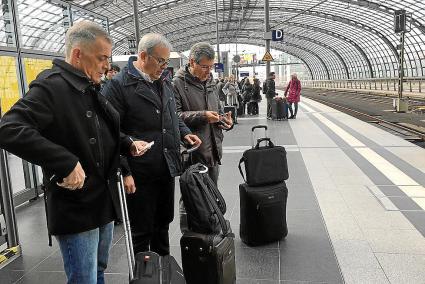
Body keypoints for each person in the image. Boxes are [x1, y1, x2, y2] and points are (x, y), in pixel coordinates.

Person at [0, 20, 146, 284]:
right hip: (77, 205)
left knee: (97, 270)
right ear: (78, 54)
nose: (107, 65)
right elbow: (9, 128)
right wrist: (64, 162)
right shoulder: (52, 86)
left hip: (101, 199)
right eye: (101, 58)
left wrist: (127, 145)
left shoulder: (89, 85)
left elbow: (102, 131)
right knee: (84, 278)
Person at [102, 33, 201, 256]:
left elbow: (171, 114)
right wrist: (124, 170)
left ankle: (162, 271)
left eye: (167, 62)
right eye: (161, 61)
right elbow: (109, 132)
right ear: (143, 56)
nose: (165, 67)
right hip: (140, 173)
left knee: (162, 224)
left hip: (165, 167)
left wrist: (184, 132)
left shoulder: (162, 81)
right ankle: (144, 276)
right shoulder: (117, 87)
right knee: (141, 230)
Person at [173, 42, 233, 185]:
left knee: (212, 196)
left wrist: (224, 121)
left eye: (211, 66)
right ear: (192, 62)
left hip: (213, 150)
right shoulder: (177, 84)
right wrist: (203, 116)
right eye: (205, 67)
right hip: (193, 152)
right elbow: (174, 116)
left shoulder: (211, 83)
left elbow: (217, 111)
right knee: (192, 198)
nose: (208, 71)